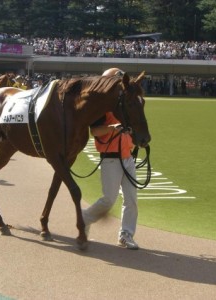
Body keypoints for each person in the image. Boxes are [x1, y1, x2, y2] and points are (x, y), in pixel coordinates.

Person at [82, 68, 139, 250]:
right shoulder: (102, 108)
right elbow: (95, 131)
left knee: (131, 199)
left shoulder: (124, 105)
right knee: (108, 199)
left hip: (127, 157)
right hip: (111, 159)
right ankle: (84, 219)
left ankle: (126, 235)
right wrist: (112, 128)